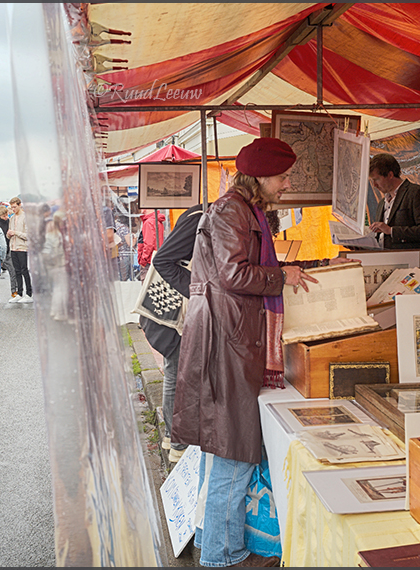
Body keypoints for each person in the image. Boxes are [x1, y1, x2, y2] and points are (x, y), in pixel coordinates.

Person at [172, 138, 332, 568]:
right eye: (282, 177)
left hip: (229, 337)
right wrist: (281, 276)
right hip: (225, 341)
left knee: (227, 450)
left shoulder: (244, 210)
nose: (286, 184)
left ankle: (214, 544)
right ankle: (223, 556)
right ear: (260, 177)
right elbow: (232, 272)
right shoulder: (231, 211)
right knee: (234, 452)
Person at [139, 203, 204, 463]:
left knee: (174, 372)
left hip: (172, 311)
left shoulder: (196, 213)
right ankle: (177, 442)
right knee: (176, 373)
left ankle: (172, 437)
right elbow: (163, 260)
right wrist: (197, 289)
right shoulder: (200, 217)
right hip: (173, 313)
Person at [368, 153, 420, 249]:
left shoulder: (416, 193)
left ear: (390, 175)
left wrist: (391, 231)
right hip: (384, 259)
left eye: (376, 179)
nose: (374, 185)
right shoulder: (382, 203)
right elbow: (382, 238)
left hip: (409, 260)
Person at [6, 197, 32, 303]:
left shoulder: (25, 217)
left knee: (24, 270)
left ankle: (29, 293)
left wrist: (15, 232)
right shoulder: (11, 218)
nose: (13, 209)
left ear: (20, 205)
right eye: (12, 207)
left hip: (22, 247)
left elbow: (27, 235)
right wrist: (8, 235)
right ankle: (19, 293)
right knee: (16, 271)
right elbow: (9, 234)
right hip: (13, 246)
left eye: (15, 207)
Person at [136, 209, 166, 280]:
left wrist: (143, 261)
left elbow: (149, 244)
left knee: (146, 285)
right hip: (155, 259)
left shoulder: (149, 222)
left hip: (148, 261)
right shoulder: (157, 221)